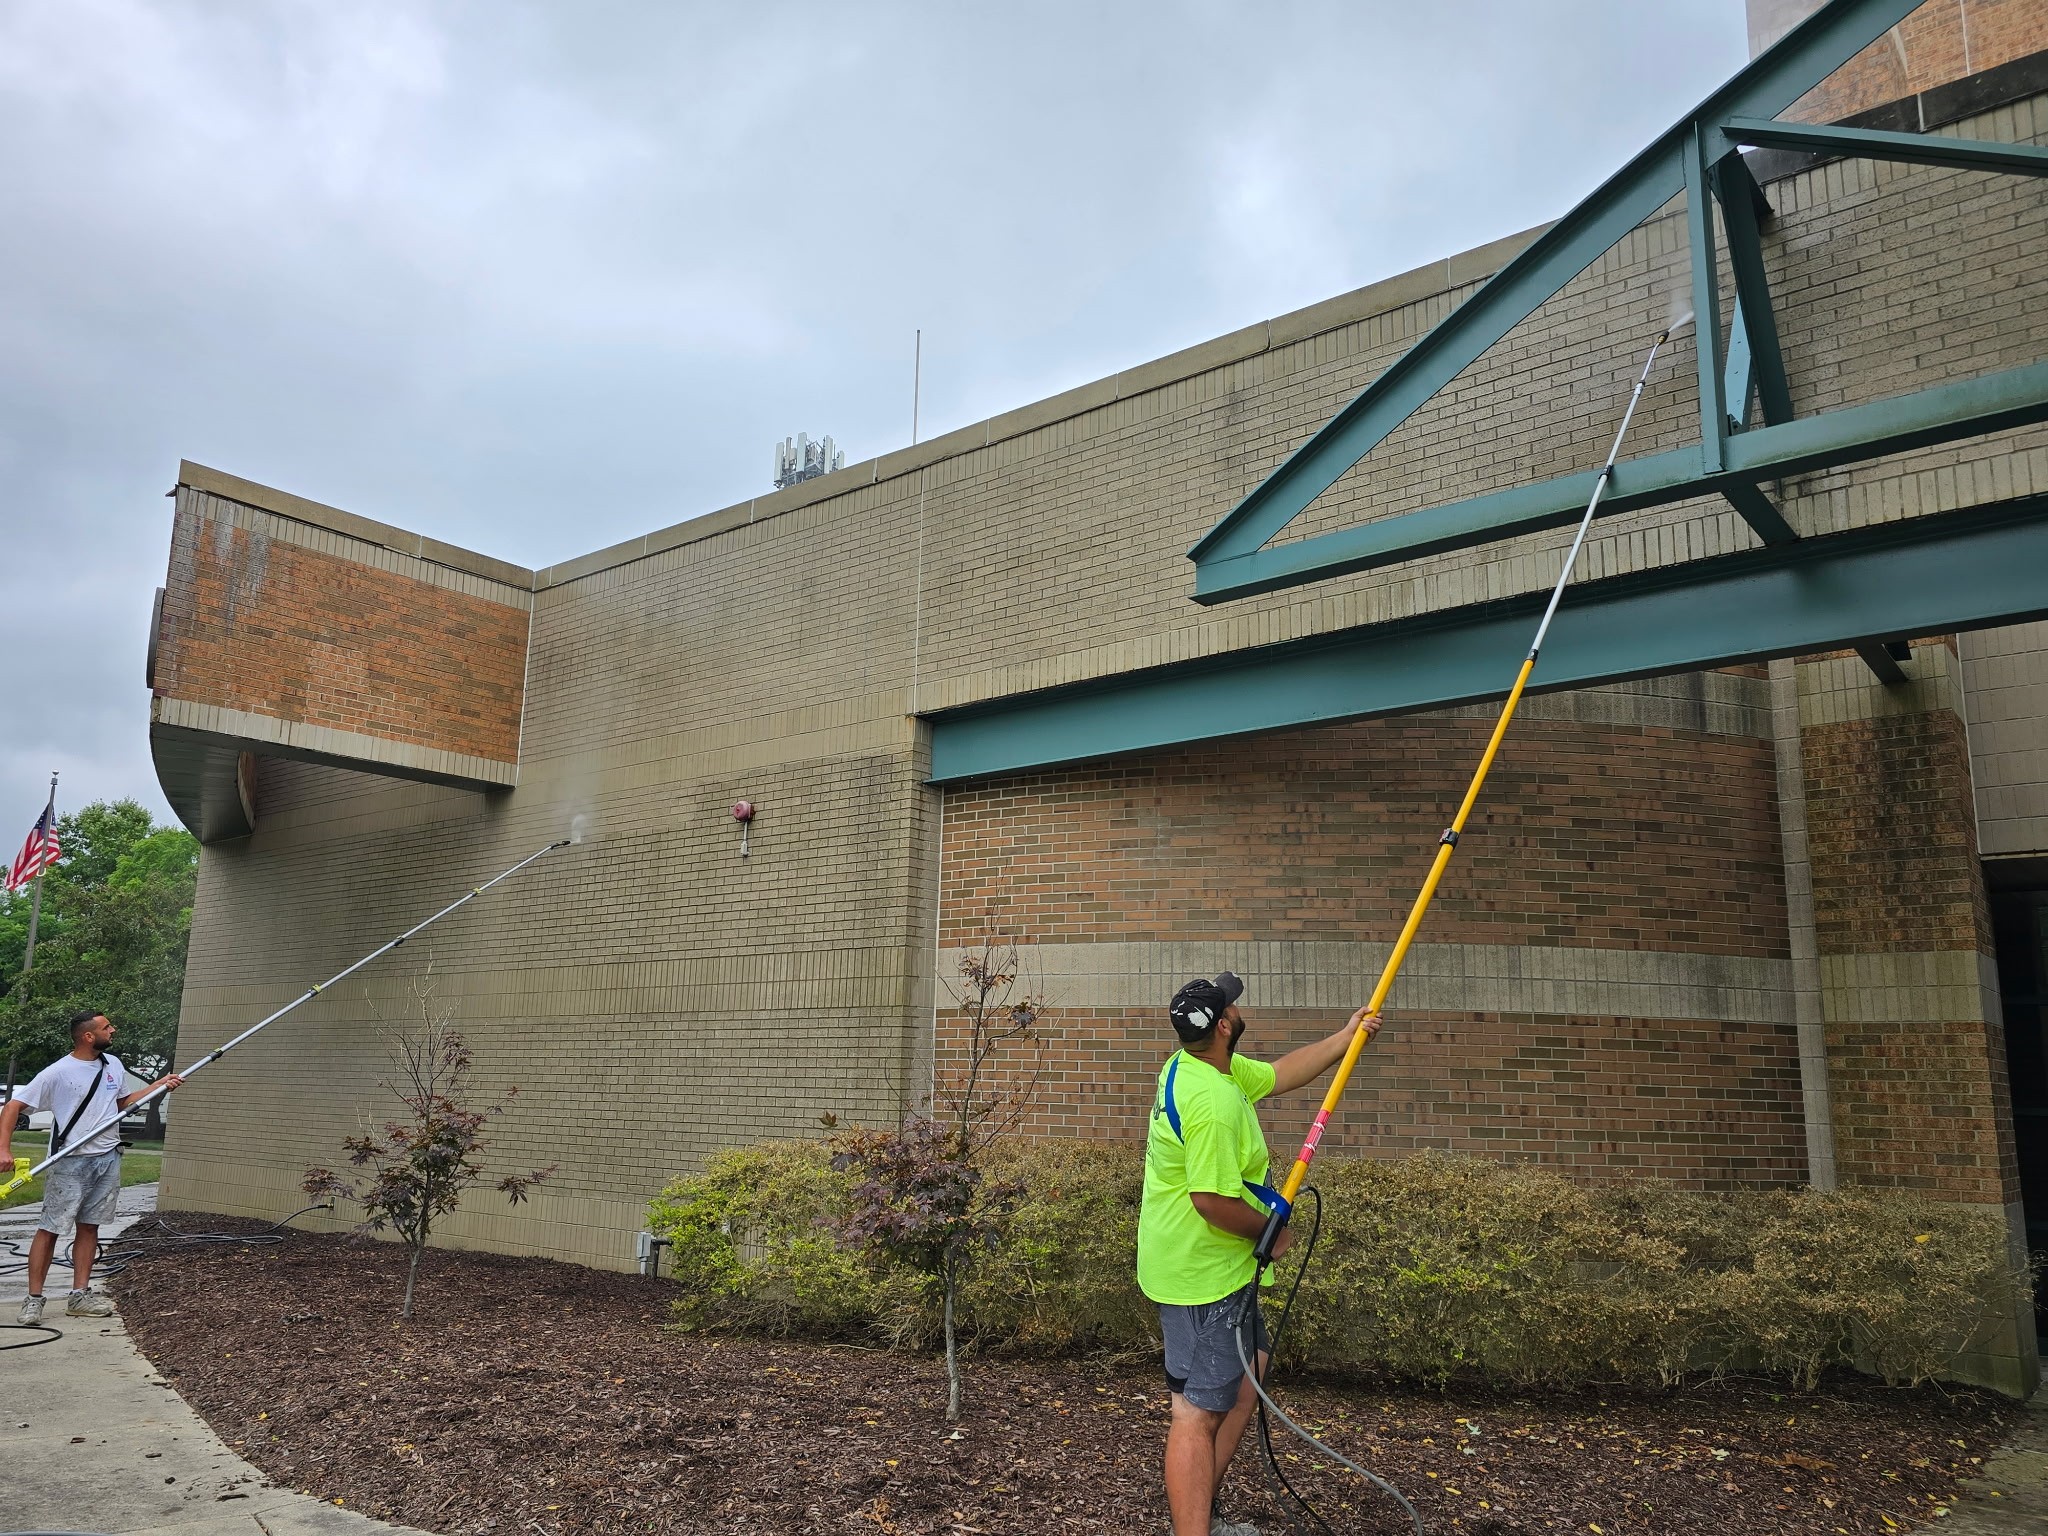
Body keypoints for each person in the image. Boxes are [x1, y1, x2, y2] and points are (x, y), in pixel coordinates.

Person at [1138, 971, 1380, 1536]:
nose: (1240, 1008)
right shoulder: (1213, 1103)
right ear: (1224, 1026)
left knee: (1249, 1376)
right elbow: (1211, 1202)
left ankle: (1203, 1510)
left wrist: (1347, 1037)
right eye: (1233, 1005)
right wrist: (1274, 1234)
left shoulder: (1198, 1064)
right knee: (1196, 1415)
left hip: (1212, 1267)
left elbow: (1278, 1075)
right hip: (1200, 1276)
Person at [1, 1010, 183, 1324]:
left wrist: (158, 1085)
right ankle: (33, 1300)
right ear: (88, 1036)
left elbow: (122, 1103)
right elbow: (14, 1105)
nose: (113, 1030)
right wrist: (3, 1148)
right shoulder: (59, 1071)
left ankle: (79, 1296)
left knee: (90, 1226)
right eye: (106, 1027)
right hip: (70, 1161)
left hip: (107, 1157)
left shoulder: (113, 1064)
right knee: (51, 1228)